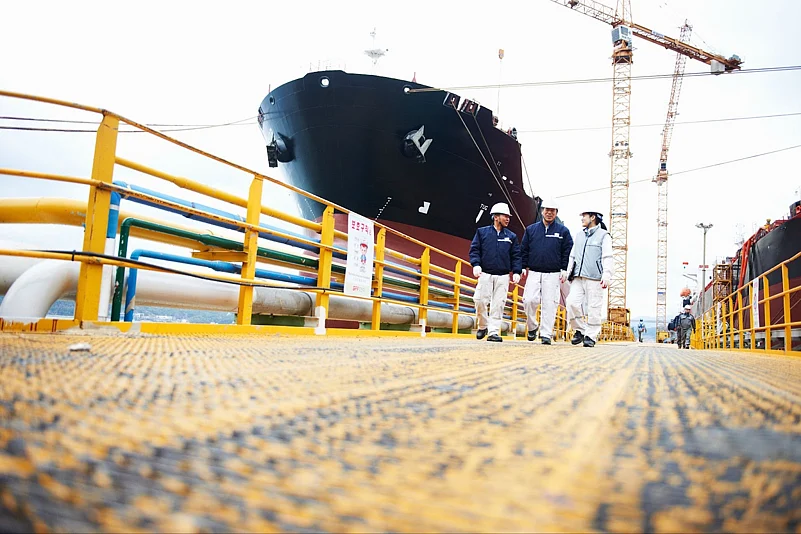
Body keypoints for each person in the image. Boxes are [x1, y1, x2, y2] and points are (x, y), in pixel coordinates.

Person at [520, 198, 573, 345]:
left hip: (553, 273)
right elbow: (524, 249)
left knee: (550, 304)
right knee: (529, 300)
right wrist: (522, 266)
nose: (549, 213)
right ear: (542, 211)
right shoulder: (531, 230)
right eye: (547, 210)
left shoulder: (563, 231)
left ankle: (546, 334)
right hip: (534, 271)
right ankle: (532, 326)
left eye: (552, 210)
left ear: (556, 213)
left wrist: (564, 269)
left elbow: (567, 251)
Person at [469, 202, 522, 342]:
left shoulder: (511, 237)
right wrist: (476, 264)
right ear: (496, 217)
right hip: (485, 273)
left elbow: (516, 255)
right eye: (505, 216)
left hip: (503, 276)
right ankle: (483, 326)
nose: (508, 218)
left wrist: (517, 271)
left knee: (498, 304)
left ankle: (493, 332)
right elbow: (475, 250)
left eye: (508, 216)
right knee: (479, 300)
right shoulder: (482, 232)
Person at [565, 207, 612, 348]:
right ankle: (580, 329)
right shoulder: (579, 235)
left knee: (594, 307)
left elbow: (607, 256)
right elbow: (572, 256)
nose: (582, 218)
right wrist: (568, 272)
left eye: (584, 215)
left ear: (593, 217)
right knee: (571, 302)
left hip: (595, 277)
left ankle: (591, 336)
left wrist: (607, 274)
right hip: (578, 276)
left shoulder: (604, 235)